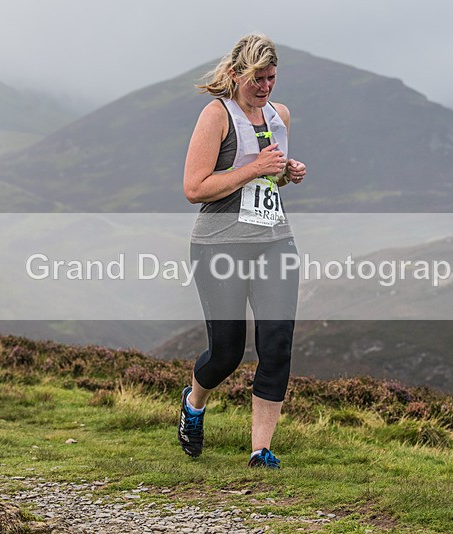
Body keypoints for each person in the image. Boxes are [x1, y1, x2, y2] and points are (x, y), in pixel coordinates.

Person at [178, 33, 307, 469]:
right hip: (220, 244)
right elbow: (194, 188)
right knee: (227, 353)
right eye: (257, 79)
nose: (265, 87)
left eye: (271, 78)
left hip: (275, 240)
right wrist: (255, 168)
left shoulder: (279, 115)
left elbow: (271, 176)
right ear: (235, 74)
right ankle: (194, 403)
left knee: (277, 346)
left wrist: (288, 172)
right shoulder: (216, 115)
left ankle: (260, 451)